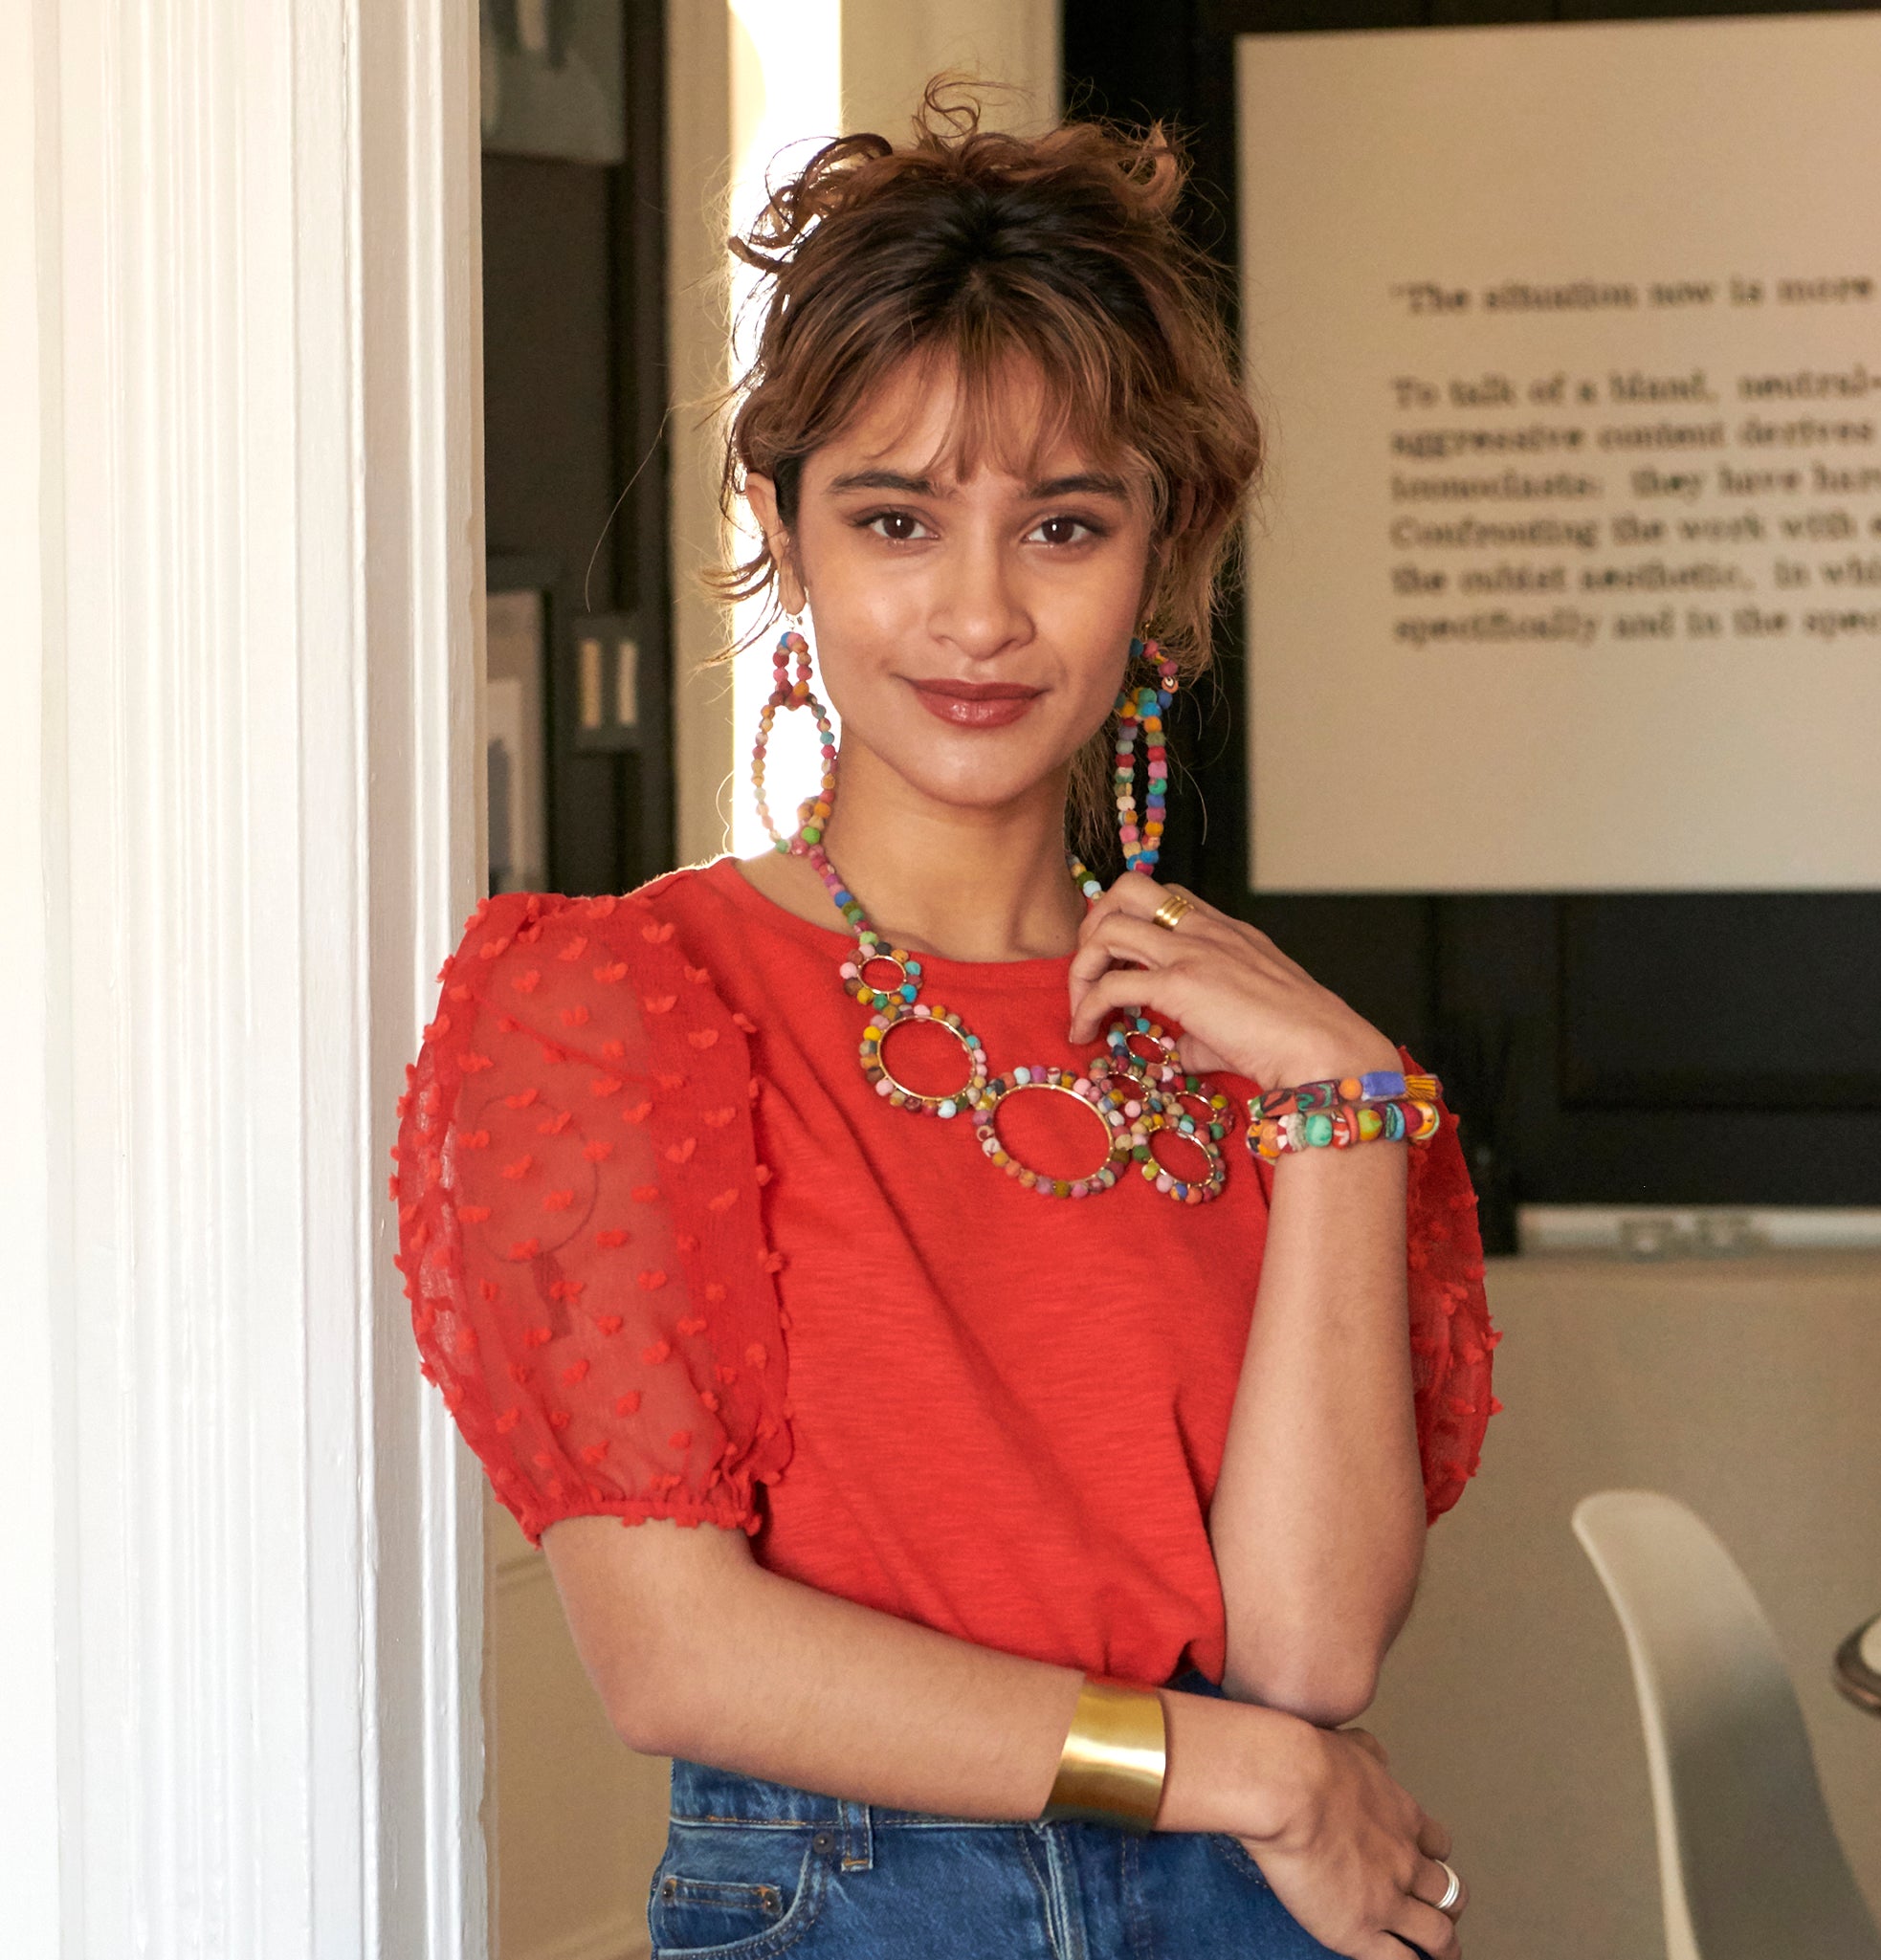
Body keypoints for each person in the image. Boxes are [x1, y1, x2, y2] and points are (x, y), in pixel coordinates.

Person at [396, 88, 1494, 1960]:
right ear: (781, 530)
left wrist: (1345, 1111)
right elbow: (673, 1651)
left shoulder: (1273, 1059)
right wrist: (1233, 1773)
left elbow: (1300, 1649)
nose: (978, 611)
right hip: (858, 1895)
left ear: (1166, 548)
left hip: (1257, 1899)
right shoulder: (622, 1010)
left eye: (1062, 522)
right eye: (896, 517)